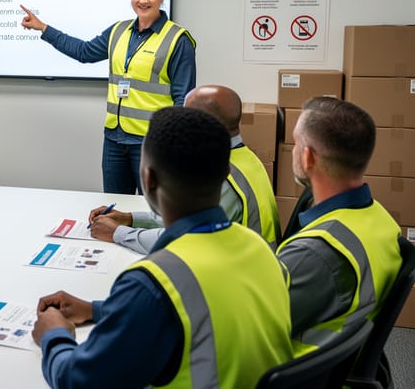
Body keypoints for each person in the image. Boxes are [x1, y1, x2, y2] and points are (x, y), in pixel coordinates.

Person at [32, 107, 291, 388]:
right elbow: (196, 313)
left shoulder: (154, 282)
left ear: (148, 179)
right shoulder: (260, 248)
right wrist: (97, 310)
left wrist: (54, 335)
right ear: (225, 172)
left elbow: (78, 381)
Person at [20, 0, 196, 195]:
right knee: (116, 209)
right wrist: (43, 28)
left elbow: (184, 100)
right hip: (114, 140)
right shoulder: (118, 31)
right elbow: (83, 52)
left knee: (153, 211)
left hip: (152, 144)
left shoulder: (178, 39)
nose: (142, 0)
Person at [276, 97, 402, 355]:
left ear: (308, 156)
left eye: (296, 142)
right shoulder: (382, 221)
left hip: (294, 374)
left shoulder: (315, 254)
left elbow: (251, 325)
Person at [90, 84, 282, 252]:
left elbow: (179, 240)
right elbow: (188, 215)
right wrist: (130, 218)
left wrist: (119, 233)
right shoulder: (245, 158)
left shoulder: (221, 177)